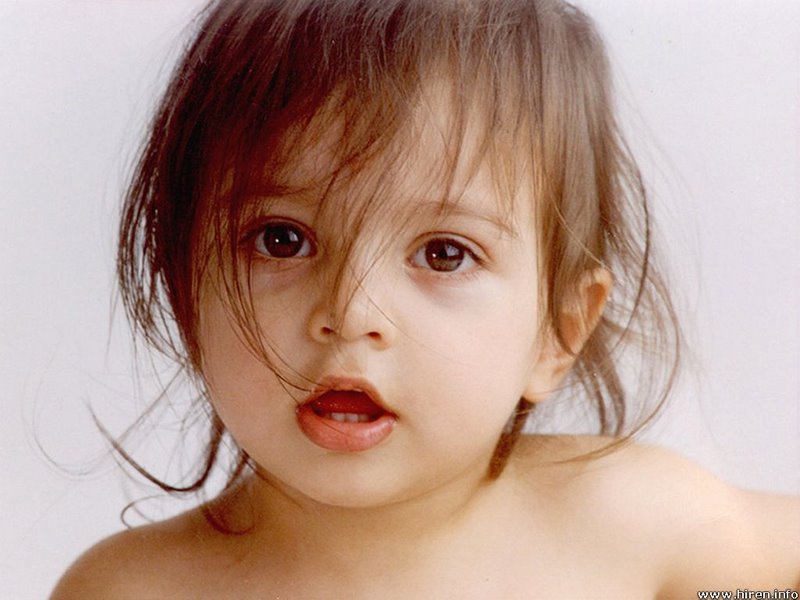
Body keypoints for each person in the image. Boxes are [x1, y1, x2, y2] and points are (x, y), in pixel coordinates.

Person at [51, 0, 799, 597]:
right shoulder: (134, 590)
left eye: (444, 254)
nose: (351, 314)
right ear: (185, 287)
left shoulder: (640, 530)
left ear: (559, 331)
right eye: (282, 240)